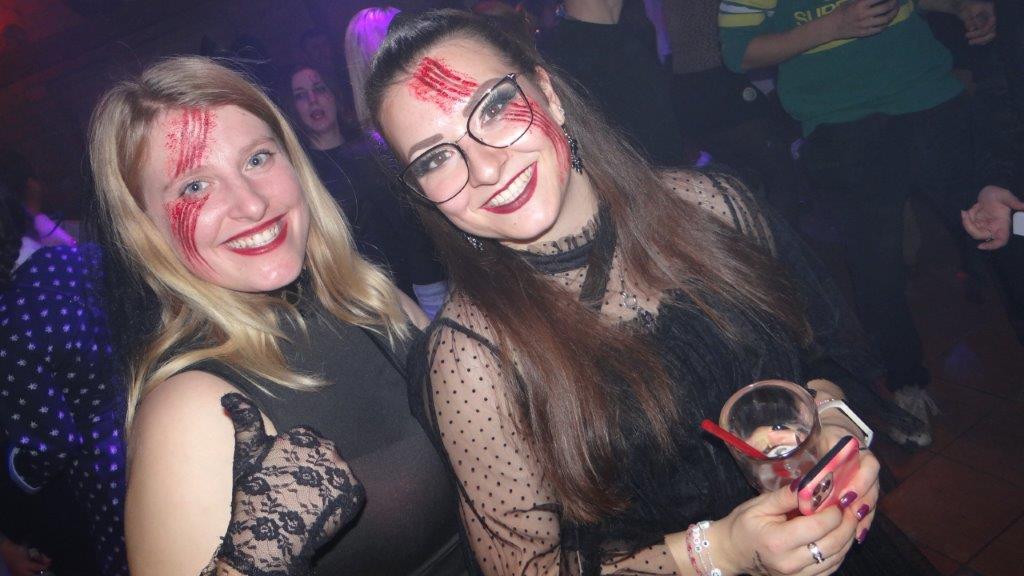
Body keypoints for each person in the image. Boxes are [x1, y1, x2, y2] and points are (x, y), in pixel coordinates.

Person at [367, 9, 937, 575]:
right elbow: (528, 569)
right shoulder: (470, 359)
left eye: (492, 108)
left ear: (548, 93)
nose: (486, 169)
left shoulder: (714, 207)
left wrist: (832, 428)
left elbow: (822, 349)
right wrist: (720, 551)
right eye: (435, 158)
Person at [88, 56, 464, 575]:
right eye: (194, 186)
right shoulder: (191, 412)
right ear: (146, 230)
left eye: (257, 159)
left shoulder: (369, 298)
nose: (250, 204)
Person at [718, 0, 998, 445]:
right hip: (844, 125)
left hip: (932, 100)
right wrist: (834, 25)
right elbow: (740, 53)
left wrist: (961, 6)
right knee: (877, 269)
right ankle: (907, 384)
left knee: (1002, 230)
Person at [0, 185, 128, 575]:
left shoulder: (11, 322)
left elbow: (49, 446)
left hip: (105, 478)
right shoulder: (79, 255)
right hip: (148, 432)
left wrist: (12, 488)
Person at [288, 63, 448, 317]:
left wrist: (432, 286)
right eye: (300, 95)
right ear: (293, 109)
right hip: (367, 299)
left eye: (319, 89)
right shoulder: (302, 174)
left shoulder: (374, 147)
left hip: (425, 281)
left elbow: (413, 218)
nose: (312, 100)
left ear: (334, 95)